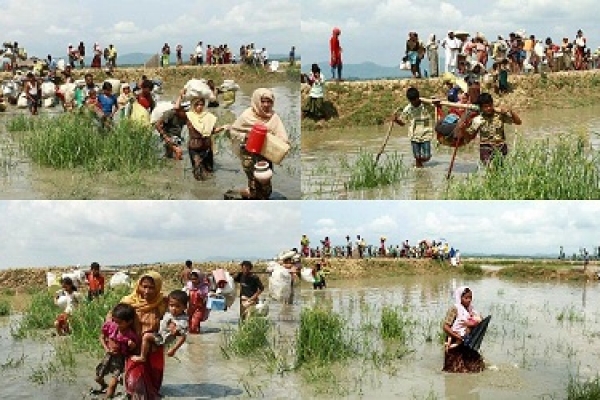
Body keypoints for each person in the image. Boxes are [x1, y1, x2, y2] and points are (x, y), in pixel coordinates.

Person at [229, 88, 289, 199]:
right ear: (256, 101)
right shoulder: (246, 115)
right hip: (249, 156)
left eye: (269, 101)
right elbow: (233, 132)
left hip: (266, 156)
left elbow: (282, 138)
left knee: (266, 186)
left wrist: (280, 145)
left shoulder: (274, 117)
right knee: (254, 184)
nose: (266, 104)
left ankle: (247, 193)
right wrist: (246, 136)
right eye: (263, 101)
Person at [118, 271, 168, 399]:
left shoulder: (162, 302)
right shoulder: (128, 301)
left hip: (153, 347)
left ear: (158, 287)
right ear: (138, 285)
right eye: (144, 286)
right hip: (134, 347)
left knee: (154, 384)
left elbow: (176, 316)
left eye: (152, 287)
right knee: (134, 382)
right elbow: (113, 318)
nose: (147, 291)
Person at [173, 91, 227, 180]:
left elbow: (212, 131)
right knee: (198, 172)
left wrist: (223, 127)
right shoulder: (189, 116)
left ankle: (209, 191)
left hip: (207, 148)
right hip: (194, 148)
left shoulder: (208, 117)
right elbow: (176, 108)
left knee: (209, 172)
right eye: (197, 104)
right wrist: (180, 96)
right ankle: (197, 192)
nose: (200, 107)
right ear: (193, 105)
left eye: (202, 104)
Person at [458, 92, 522, 166]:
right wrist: (463, 129)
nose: (488, 108)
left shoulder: (500, 115)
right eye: (485, 106)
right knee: (490, 167)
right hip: (486, 148)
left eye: (490, 105)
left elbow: (518, 122)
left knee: (500, 169)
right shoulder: (477, 120)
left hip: (500, 147)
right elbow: (468, 137)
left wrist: (511, 111)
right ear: (481, 108)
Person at [93, 303, 139, 398]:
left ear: (129, 322)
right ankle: (103, 385)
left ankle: (108, 396)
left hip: (120, 359)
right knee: (97, 378)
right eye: (115, 321)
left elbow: (134, 348)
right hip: (108, 356)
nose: (117, 324)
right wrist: (106, 348)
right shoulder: (110, 326)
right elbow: (101, 337)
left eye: (120, 322)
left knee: (112, 384)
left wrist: (131, 344)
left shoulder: (130, 334)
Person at [131, 290, 188, 363]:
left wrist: (173, 349)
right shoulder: (169, 312)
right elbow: (163, 301)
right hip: (160, 334)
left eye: (177, 306)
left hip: (164, 339)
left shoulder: (182, 321)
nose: (173, 308)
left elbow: (183, 337)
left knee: (146, 336)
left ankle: (142, 357)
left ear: (184, 307)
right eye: (171, 305)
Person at [392, 87, 438, 168]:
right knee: (417, 156)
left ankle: (419, 163)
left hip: (426, 134)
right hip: (414, 135)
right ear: (409, 100)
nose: (413, 103)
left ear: (418, 98)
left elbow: (436, 104)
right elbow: (403, 123)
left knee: (427, 156)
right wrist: (396, 120)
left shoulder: (425, 105)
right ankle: (419, 173)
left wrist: (434, 100)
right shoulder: (408, 109)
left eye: (415, 100)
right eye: (411, 101)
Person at [442, 287, 486, 373]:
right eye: (466, 298)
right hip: (455, 338)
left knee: (477, 366)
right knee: (454, 369)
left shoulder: (471, 309)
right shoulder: (454, 309)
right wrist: (458, 337)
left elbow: (479, 320)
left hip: (466, 340)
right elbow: (445, 327)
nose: (469, 300)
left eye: (470, 297)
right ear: (460, 298)